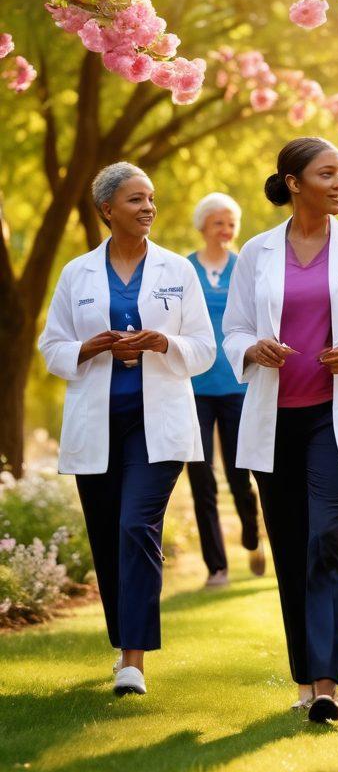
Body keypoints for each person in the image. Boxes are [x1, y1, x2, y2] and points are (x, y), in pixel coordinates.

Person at [223, 137, 338, 724]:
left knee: (328, 537)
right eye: (327, 174)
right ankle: (304, 676)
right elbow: (233, 330)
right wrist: (252, 347)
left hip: (337, 416)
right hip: (275, 420)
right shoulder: (256, 252)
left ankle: (327, 683)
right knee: (292, 548)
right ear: (294, 183)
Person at [38, 162, 215, 696]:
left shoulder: (176, 271)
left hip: (156, 425)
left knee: (137, 527)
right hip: (97, 425)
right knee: (108, 537)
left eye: (152, 198)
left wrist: (163, 343)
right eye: (136, 200)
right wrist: (91, 348)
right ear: (107, 210)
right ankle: (123, 645)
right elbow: (52, 348)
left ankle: (135, 659)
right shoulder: (77, 274)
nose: (148, 208)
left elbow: (204, 350)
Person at [186, 192, 265, 588]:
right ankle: (216, 567)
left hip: (237, 386)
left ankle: (252, 536)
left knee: (239, 476)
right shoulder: (184, 270)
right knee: (201, 478)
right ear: (202, 226)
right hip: (193, 389)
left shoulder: (244, 267)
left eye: (231, 223)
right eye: (218, 222)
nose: (226, 230)